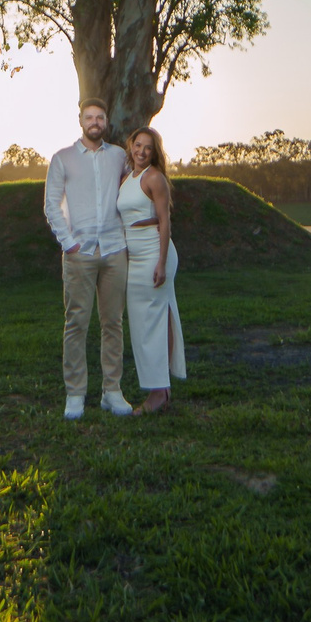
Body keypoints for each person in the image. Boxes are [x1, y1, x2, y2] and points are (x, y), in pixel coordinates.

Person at [44, 100, 132, 419]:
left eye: (100, 117)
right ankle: (76, 394)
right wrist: (68, 244)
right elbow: (52, 204)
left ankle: (112, 391)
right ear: (80, 121)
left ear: (106, 121)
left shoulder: (119, 156)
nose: (95, 122)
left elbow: (134, 189)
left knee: (113, 323)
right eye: (89, 117)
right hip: (79, 253)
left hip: (114, 250)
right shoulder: (63, 159)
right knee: (76, 323)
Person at [120, 126, 185, 413]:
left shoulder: (154, 178)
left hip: (153, 254)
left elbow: (165, 222)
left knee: (156, 321)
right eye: (138, 145)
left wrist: (161, 262)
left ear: (154, 151)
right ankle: (160, 388)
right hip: (133, 257)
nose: (141, 151)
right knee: (141, 325)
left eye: (148, 147)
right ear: (131, 146)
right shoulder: (126, 178)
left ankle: (158, 393)